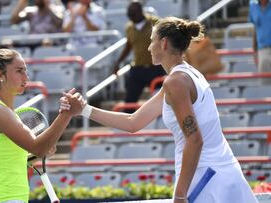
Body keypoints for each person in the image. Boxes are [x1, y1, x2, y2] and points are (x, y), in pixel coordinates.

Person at [61, 17, 258, 203]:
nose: (148, 46)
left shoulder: (175, 82)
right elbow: (133, 122)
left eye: (151, 40)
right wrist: (84, 110)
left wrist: (180, 195)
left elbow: (195, 140)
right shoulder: (185, 75)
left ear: (163, 43)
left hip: (206, 179)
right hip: (222, 172)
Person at [0, 44, 82, 203]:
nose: (26, 76)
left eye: (25, 70)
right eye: (19, 71)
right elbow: (38, 148)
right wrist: (66, 114)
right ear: (0, 75)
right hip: (3, 199)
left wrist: (43, 149)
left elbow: (28, 154)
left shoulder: (5, 112)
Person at [114, 1, 166, 113]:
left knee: (162, 100)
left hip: (156, 68)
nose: (131, 17)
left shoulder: (156, 22)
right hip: (138, 68)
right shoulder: (129, 27)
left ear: (140, 12)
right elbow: (129, 46)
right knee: (129, 101)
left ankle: (161, 124)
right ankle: (127, 126)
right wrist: (118, 62)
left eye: (133, 14)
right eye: (129, 15)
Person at [249, 0, 271, 84]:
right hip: (262, 50)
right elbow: (255, 28)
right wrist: (255, 52)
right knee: (265, 85)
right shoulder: (252, 5)